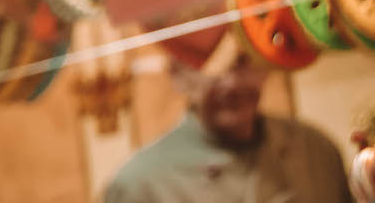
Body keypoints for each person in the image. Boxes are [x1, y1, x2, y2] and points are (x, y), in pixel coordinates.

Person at [104, 36, 352, 203]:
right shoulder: (139, 186)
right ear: (178, 74)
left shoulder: (315, 152)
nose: (231, 83)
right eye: (211, 65)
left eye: (243, 62)